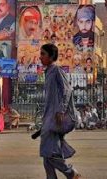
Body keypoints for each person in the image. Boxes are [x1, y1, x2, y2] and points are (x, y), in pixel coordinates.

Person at [36, 43, 82, 179]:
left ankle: (71, 172)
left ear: (51, 57)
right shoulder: (48, 72)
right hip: (49, 117)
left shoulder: (56, 70)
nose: (40, 57)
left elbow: (67, 90)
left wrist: (61, 110)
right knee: (46, 153)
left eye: (43, 54)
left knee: (49, 153)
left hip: (56, 118)